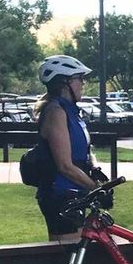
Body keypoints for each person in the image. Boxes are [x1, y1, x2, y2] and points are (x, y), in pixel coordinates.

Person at [30, 54, 109, 243]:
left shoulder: (71, 111)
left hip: (75, 193)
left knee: (91, 251)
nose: (83, 83)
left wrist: (95, 169)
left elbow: (84, 150)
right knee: (70, 255)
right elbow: (65, 165)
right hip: (60, 194)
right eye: (79, 78)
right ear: (65, 83)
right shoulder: (55, 113)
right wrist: (96, 189)